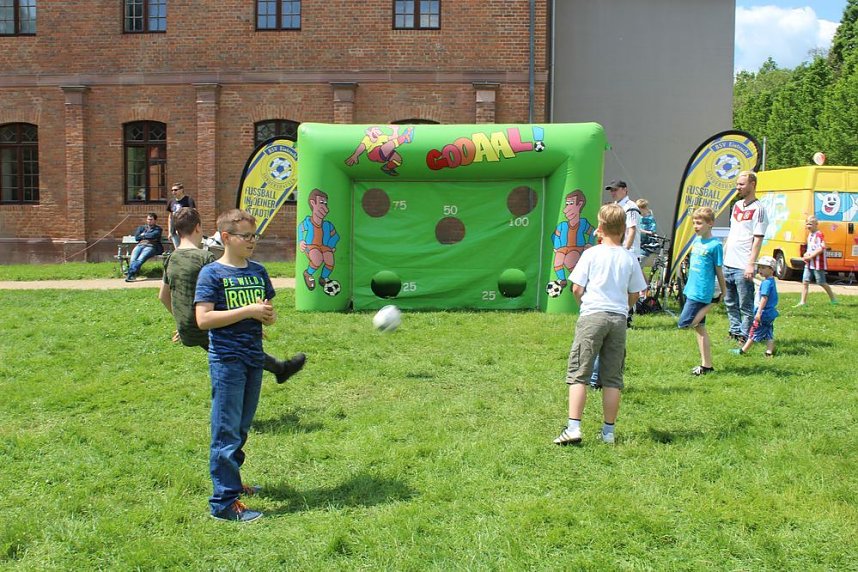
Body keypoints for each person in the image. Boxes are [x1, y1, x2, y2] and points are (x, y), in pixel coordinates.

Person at [195, 208, 279, 522]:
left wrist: (267, 315)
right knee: (225, 431)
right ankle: (223, 504)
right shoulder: (212, 274)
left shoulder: (258, 271)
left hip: (252, 358)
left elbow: (267, 311)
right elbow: (203, 319)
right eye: (246, 235)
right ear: (227, 237)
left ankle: (233, 483)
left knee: (241, 428)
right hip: (227, 361)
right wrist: (247, 310)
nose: (252, 241)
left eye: (254, 235)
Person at [158, 207, 305, 384]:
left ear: (176, 230)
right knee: (244, 348)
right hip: (208, 323)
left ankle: (279, 369)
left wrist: (184, 322)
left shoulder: (171, 258)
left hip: (188, 328)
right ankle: (280, 369)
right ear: (198, 228)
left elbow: (163, 296)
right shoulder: (205, 258)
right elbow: (227, 293)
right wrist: (250, 318)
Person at [554, 203, 647, 446]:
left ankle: (573, 427)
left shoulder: (591, 254)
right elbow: (636, 292)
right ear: (624, 228)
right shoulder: (629, 258)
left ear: (601, 227)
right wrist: (623, 308)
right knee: (612, 378)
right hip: (618, 319)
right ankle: (608, 433)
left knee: (579, 373)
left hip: (592, 316)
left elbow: (576, 287)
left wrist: (583, 304)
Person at [678, 207, 726, 376]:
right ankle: (707, 365)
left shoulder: (716, 245)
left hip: (702, 291)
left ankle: (711, 304)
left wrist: (723, 291)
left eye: (699, 223)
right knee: (700, 327)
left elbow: (719, 270)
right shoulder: (697, 241)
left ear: (710, 223)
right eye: (694, 223)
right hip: (692, 288)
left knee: (685, 323)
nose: (696, 226)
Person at [723, 171, 768, 344]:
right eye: (737, 184)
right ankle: (734, 330)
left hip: (743, 264)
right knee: (730, 301)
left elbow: (758, 239)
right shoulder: (737, 206)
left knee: (745, 303)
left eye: (741, 184)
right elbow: (732, 232)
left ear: (752, 184)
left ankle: (745, 334)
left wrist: (751, 264)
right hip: (729, 261)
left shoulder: (759, 209)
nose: (738, 187)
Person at [731, 256, 779, 357]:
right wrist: (752, 279)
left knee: (753, 332)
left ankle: (742, 351)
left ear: (771, 269)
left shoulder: (766, 283)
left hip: (763, 313)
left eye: (763, 268)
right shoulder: (770, 281)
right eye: (759, 267)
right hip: (770, 313)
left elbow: (764, 298)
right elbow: (761, 285)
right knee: (769, 332)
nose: (760, 270)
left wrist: (758, 312)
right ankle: (769, 352)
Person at [795, 215, 838, 307]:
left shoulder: (819, 234)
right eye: (807, 223)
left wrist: (811, 256)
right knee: (805, 281)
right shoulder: (810, 235)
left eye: (811, 223)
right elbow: (810, 248)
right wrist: (806, 255)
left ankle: (833, 298)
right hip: (809, 263)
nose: (808, 225)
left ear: (816, 224)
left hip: (818, 263)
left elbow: (821, 248)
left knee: (821, 282)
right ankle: (803, 302)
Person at [125, 212, 164, 282]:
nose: (149, 221)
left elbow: (154, 236)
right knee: (133, 259)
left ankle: (130, 273)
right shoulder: (141, 228)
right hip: (140, 245)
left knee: (140, 259)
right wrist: (146, 235)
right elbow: (137, 237)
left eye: (151, 219)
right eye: (148, 219)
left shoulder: (158, 229)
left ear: (155, 220)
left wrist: (143, 235)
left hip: (151, 246)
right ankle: (132, 274)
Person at [167, 182, 197, 248]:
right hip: (174, 231)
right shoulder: (171, 202)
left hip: (185, 231)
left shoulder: (189, 200)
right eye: (172, 190)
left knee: (186, 248)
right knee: (177, 249)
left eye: (175, 190)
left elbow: (194, 214)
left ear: (181, 190)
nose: (173, 192)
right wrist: (170, 232)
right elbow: (170, 217)